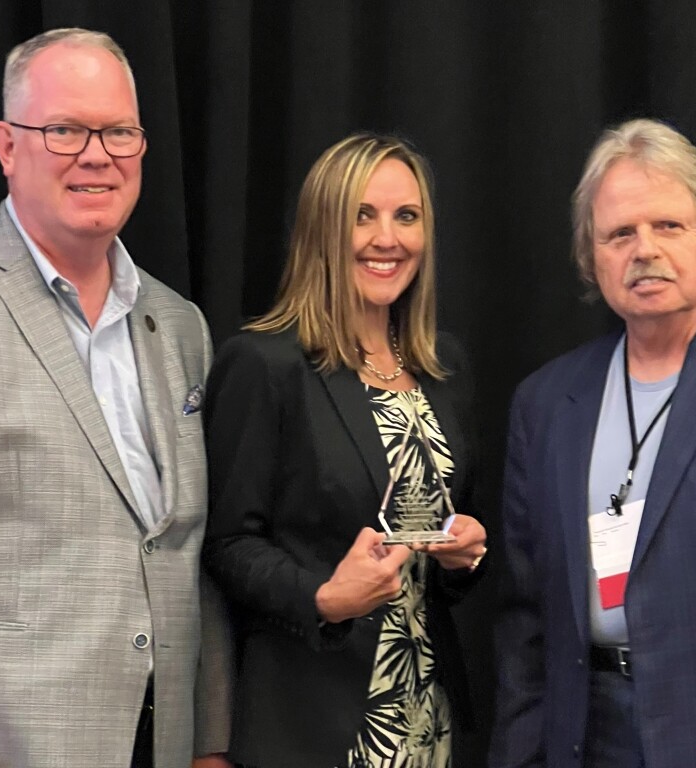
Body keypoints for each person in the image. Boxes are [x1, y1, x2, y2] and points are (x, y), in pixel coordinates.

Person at [0, 28, 232, 768]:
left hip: (164, 739)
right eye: (65, 129)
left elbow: (192, 548)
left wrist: (209, 741)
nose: (97, 154)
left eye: (119, 130)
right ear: (7, 145)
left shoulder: (181, 326)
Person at [203, 133, 487, 768]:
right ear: (322, 228)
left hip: (428, 718)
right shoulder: (264, 363)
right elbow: (225, 544)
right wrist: (322, 597)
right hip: (315, 728)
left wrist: (464, 557)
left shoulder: (444, 368)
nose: (388, 238)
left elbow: (443, 536)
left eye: (406, 216)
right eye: (364, 214)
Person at [488, 118, 696, 768]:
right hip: (583, 735)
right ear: (591, 256)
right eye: (619, 233)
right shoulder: (545, 404)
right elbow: (524, 622)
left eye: (668, 226)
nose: (644, 250)